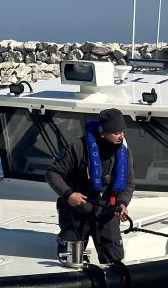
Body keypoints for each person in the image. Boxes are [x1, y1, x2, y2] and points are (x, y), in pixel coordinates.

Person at [47, 108, 134, 265]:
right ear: (103, 133)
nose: (121, 136)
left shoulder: (124, 152)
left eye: (122, 132)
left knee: (115, 260)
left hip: (107, 212)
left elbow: (128, 183)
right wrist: (68, 194)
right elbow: (52, 173)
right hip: (77, 212)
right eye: (116, 133)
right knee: (69, 260)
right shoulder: (77, 148)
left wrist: (122, 203)